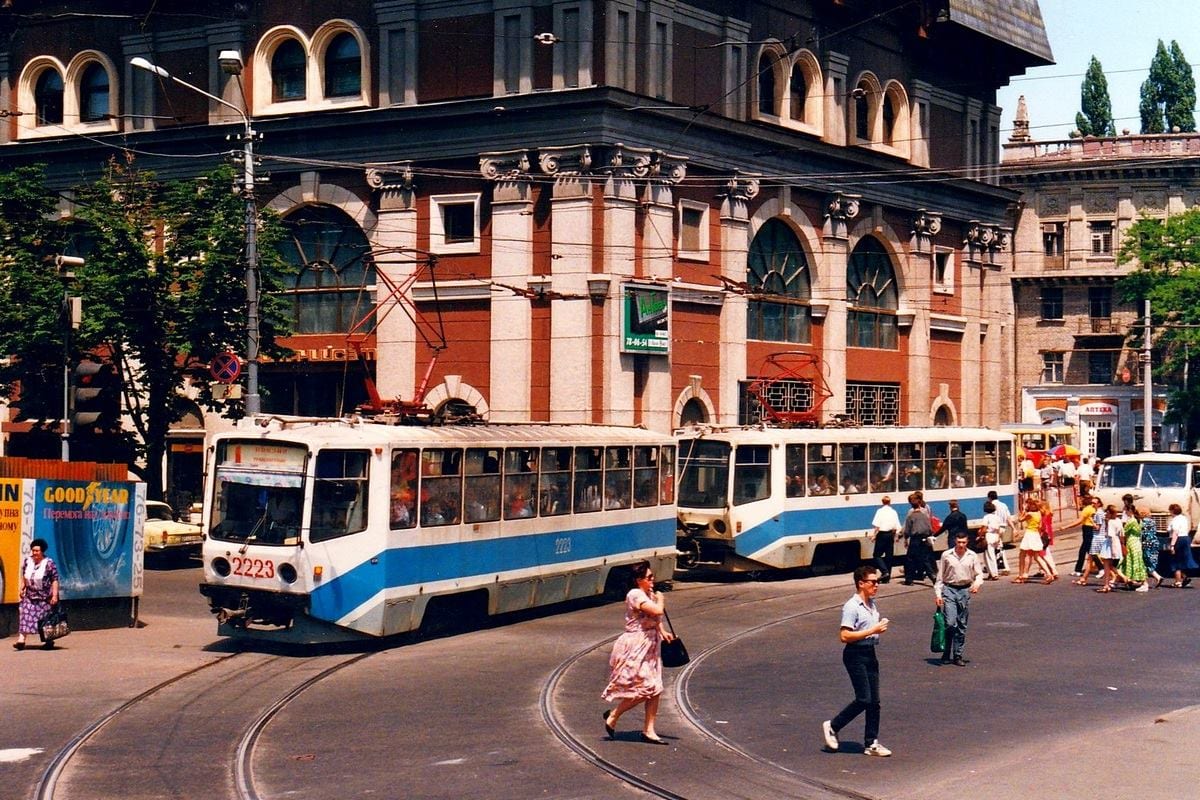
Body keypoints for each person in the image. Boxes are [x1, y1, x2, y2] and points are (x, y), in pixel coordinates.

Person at [602, 561, 675, 745]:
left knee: (655, 688)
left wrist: (662, 631)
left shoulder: (647, 593)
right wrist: (661, 599)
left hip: (651, 644)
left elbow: (655, 617)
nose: (653, 580)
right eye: (649, 577)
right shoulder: (635, 594)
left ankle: (649, 730)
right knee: (647, 687)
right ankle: (613, 714)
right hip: (636, 645)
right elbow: (657, 609)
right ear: (638, 580)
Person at [822, 565, 891, 757]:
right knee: (864, 698)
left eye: (877, 582)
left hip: (870, 653)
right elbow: (844, 636)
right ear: (861, 583)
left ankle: (871, 743)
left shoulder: (871, 603)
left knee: (874, 701)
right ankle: (833, 726)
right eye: (873, 582)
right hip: (855, 655)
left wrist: (877, 630)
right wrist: (873, 631)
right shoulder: (852, 606)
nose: (877, 585)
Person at [935, 530, 985, 665]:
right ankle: (946, 652)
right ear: (955, 542)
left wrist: (976, 584)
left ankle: (958, 655)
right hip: (949, 589)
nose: (961, 545)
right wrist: (938, 594)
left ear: (967, 542)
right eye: (959, 542)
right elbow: (940, 577)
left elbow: (979, 574)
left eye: (963, 542)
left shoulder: (972, 556)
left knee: (961, 625)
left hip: (964, 590)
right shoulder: (947, 555)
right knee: (950, 623)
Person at [14, 538, 60, 650]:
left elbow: (54, 579)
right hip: (30, 596)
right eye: (33, 550)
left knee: (44, 619)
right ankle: (21, 640)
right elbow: (24, 576)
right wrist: (22, 588)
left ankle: (49, 641)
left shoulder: (49, 563)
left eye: (37, 551)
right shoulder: (27, 562)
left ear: (42, 551)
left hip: (44, 598)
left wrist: (54, 595)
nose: (34, 553)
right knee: (25, 615)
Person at [1014, 498, 1053, 584]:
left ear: (1032, 506)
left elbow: (1020, 519)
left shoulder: (1030, 514)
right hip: (1036, 534)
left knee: (1022, 553)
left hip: (1029, 534)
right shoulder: (1039, 513)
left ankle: (1022, 574)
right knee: (1037, 557)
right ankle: (1049, 574)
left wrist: (1024, 510)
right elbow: (1040, 526)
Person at [901, 493, 936, 585]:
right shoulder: (925, 513)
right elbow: (929, 527)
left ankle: (909, 579)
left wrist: (905, 538)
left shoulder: (911, 515)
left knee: (910, 559)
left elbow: (907, 530)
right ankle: (932, 576)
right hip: (924, 538)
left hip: (915, 539)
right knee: (925, 558)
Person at [868, 496, 901, 583]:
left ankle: (884, 571)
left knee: (877, 555)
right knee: (889, 555)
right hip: (890, 534)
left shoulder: (879, 511)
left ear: (882, 502)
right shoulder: (893, 512)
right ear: (889, 502)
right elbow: (897, 526)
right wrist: (896, 536)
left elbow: (877, 526)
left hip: (882, 534)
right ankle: (887, 577)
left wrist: (874, 535)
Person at [1116, 507, 1149, 591]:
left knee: (1132, 562)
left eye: (1126, 511)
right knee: (1137, 561)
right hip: (1137, 542)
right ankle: (1132, 580)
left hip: (1131, 543)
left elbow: (1123, 531)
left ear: (1130, 511)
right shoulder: (1139, 521)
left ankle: (1144, 583)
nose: (1125, 512)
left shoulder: (1131, 521)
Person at [1165, 503, 1197, 588]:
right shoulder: (1184, 518)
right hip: (1186, 538)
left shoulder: (1175, 520)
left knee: (1175, 560)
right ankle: (1184, 578)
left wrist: (1172, 545)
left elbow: (1175, 532)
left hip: (1178, 540)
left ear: (1172, 511)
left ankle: (1178, 581)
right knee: (1181, 559)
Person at [1068, 495, 1100, 577]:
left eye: (1080, 500)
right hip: (1089, 529)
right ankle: (1078, 569)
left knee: (1088, 551)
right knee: (1086, 551)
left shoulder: (1087, 509)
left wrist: (1066, 527)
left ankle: (1101, 568)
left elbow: (1079, 521)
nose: (1079, 502)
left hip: (1087, 530)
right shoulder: (1092, 509)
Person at [1138, 506, 1164, 590]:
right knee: (1150, 561)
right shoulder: (1152, 521)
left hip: (1146, 543)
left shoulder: (1143, 522)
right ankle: (1157, 577)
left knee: (1144, 562)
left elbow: (1142, 534)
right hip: (1154, 542)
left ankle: (1146, 581)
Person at [979, 501, 1003, 580]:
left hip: (989, 535)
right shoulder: (997, 517)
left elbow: (984, 528)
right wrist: (999, 538)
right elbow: (999, 528)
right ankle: (991, 572)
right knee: (991, 555)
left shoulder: (986, 517)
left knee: (989, 555)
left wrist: (980, 536)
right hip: (996, 535)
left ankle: (994, 573)